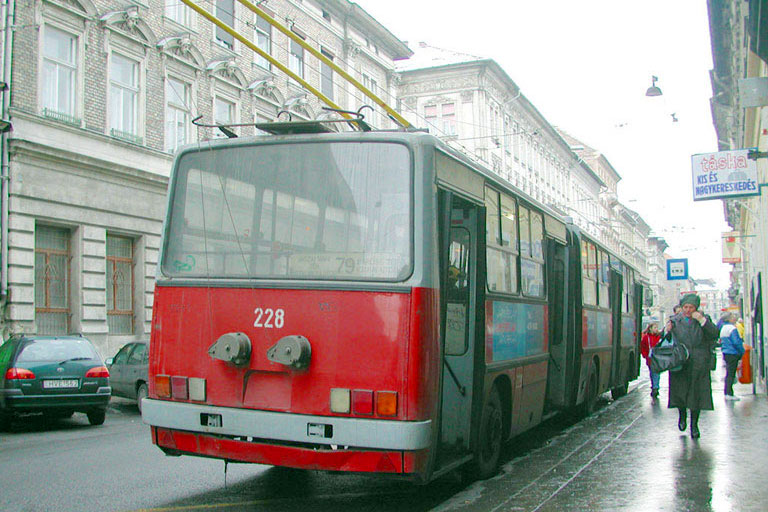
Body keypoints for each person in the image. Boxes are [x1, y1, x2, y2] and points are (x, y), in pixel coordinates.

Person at [665, 293, 719, 439]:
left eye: (691, 307)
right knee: (681, 392)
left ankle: (694, 425)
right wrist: (667, 331)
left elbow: (714, 334)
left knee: (697, 395)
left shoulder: (703, 320)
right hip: (681, 362)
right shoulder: (675, 321)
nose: (688, 310)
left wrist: (702, 320)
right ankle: (682, 416)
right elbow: (666, 341)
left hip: (699, 363)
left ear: (696, 308)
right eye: (685, 307)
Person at [719, 313, 745, 401]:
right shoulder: (732, 328)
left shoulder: (723, 328)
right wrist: (742, 352)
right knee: (731, 373)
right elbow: (736, 342)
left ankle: (727, 392)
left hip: (726, 353)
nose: (734, 318)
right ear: (729, 319)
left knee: (728, 373)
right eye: (733, 317)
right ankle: (729, 393)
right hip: (733, 353)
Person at [641, 322, 662, 398]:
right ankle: (654, 386)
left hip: (658, 358)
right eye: (655, 328)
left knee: (656, 372)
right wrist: (645, 355)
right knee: (652, 372)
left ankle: (655, 387)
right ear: (650, 329)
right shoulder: (646, 337)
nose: (656, 329)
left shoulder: (659, 337)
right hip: (650, 358)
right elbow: (643, 346)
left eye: (657, 327)